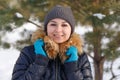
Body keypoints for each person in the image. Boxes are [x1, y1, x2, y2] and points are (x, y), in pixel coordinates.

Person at [12, 5, 93, 80]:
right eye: (53, 24)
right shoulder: (28, 53)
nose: (58, 30)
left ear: (71, 30)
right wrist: (40, 63)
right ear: (46, 28)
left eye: (64, 25)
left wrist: (72, 68)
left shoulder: (80, 56)